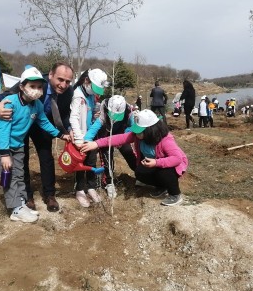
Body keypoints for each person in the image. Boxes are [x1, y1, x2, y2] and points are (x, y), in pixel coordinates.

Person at [0, 67, 67, 223]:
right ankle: (15, 209)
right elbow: (3, 129)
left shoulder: (37, 105)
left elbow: (44, 122)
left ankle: (22, 203)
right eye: (32, 86)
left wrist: (61, 135)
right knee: (9, 175)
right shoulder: (10, 103)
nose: (36, 90)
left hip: (17, 143)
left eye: (39, 87)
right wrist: (4, 154)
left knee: (20, 174)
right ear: (22, 86)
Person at [80, 109, 188, 206]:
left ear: (150, 130)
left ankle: (175, 194)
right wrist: (96, 144)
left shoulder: (165, 140)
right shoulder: (138, 135)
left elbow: (177, 158)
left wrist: (156, 162)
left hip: (170, 166)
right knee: (140, 173)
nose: (136, 134)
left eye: (139, 131)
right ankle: (162, 186)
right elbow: (118, 138)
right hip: (155, 163)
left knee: (164, 173)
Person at [70, 68, 108, 207]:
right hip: (80, 136)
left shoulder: (90, 95)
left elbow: (90, 111)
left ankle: (91, 187)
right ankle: (80, 190)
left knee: (91, 162)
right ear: (87, 81)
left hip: (90, 136)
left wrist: (95, 114)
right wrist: (79, 140)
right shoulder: (78, 96)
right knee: (80, 165)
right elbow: (73, 118)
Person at [84, 95, 136, 196]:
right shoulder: (104, 111)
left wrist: (126, 133)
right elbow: (95, 127)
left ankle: (140, 175)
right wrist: (86, 140)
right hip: (106, 134)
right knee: (107, 156)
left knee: (129, 153)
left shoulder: (129, 113)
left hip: (122, 135)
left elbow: (134, 127)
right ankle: (109, 182)